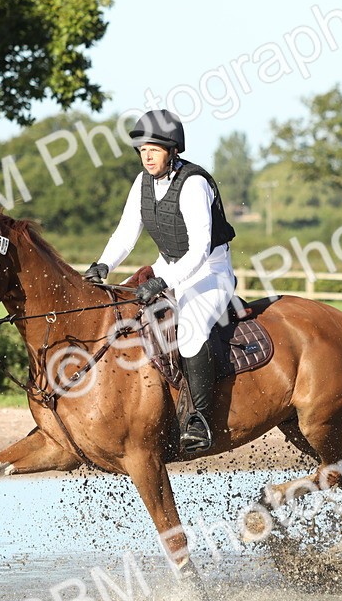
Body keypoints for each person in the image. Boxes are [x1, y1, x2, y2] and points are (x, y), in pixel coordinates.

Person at [83, 110, 236, 454]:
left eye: (154, 150)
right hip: (167, 265)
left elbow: (199, 249)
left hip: (210, 271)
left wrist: (163, 280)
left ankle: (198, 419)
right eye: (143, 150)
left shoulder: (193, 184)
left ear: (172, 150)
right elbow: (126, 233)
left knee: (191, 331)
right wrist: (104, 265)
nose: (147, 157)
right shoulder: (143, 183)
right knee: (120, 311)